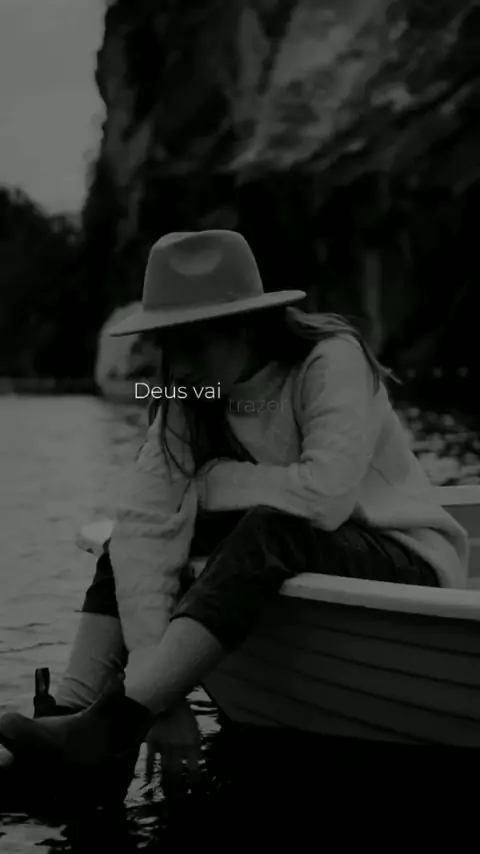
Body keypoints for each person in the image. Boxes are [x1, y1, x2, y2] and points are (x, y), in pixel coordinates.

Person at [0, 229, 468, 798]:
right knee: (131, 537)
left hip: (401, 559)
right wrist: (161, 694)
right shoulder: (191, 396)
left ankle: (115, 724)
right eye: (170, 346)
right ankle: (69, 720)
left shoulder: (329, 360)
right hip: (301, 554)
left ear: (245, 326)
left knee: (272, 524)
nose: (181, 367)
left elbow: (325, 499)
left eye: (195, 344)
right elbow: (145, 527)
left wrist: (212, 482)